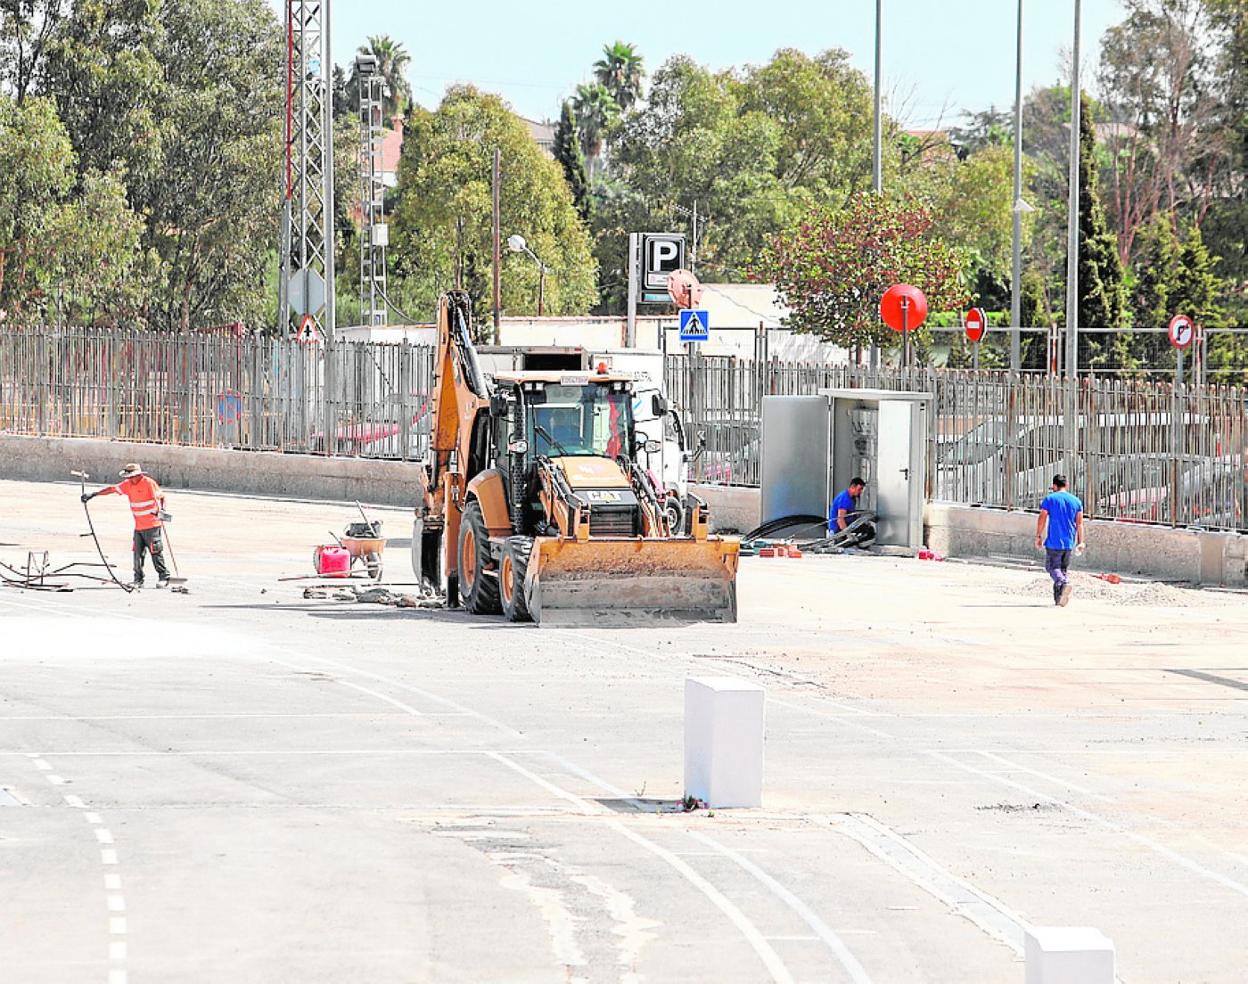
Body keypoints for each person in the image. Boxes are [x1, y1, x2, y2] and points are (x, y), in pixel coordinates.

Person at [82, 463, 171, 588]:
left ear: (138, 475)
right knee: (137, 553)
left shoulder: (148, 483)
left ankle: (164, 577)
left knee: (155, 551)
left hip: (152, 525)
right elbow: (112, 489)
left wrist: (163, 510)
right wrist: (93, 494)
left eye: (131, 477)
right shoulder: (128, 485)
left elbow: (162, 497)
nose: (129, 479)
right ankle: (138, 580)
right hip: (139, 526)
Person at [1036, 473, 1085, 607]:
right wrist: (1081, 541)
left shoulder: (1050, 499)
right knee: (1062, 570)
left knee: (1052, 567)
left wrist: (1038, 536)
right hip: (1069, 542)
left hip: (1054, 542)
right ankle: (1059, 599)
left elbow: (1042, 518)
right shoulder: (1076, 501)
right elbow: (1080, 523)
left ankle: (1065, 583)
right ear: (1066, 485)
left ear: (1054, 486)